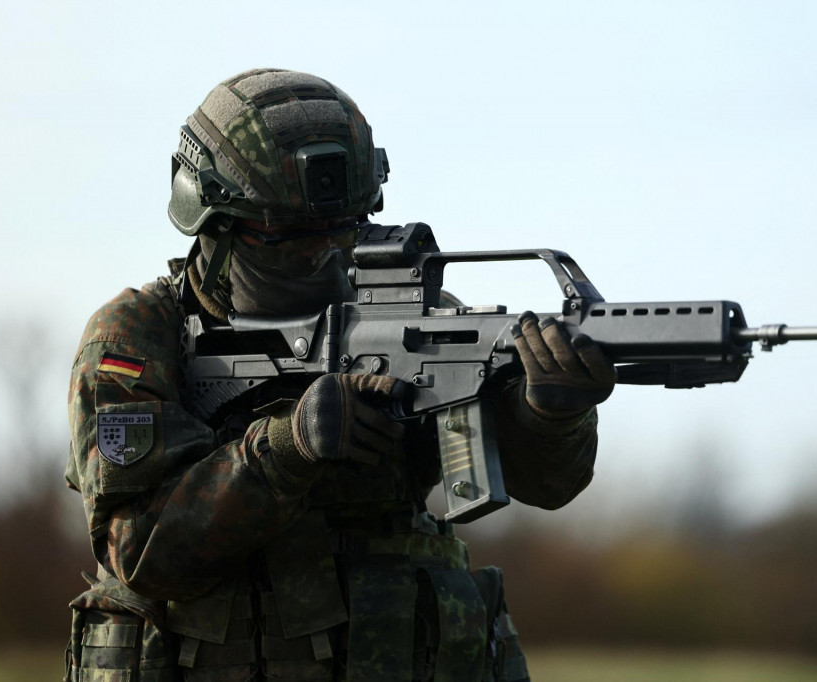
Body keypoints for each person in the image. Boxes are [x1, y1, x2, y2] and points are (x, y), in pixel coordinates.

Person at [64, 68, 615, 682]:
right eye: (290, 235)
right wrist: (286, 447)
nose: (324, 253)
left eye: (344, 227)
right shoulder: (139, 336)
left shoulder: (411, 319)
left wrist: (547, 416)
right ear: (212, 222)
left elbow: (547, 485)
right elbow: (141, 550)